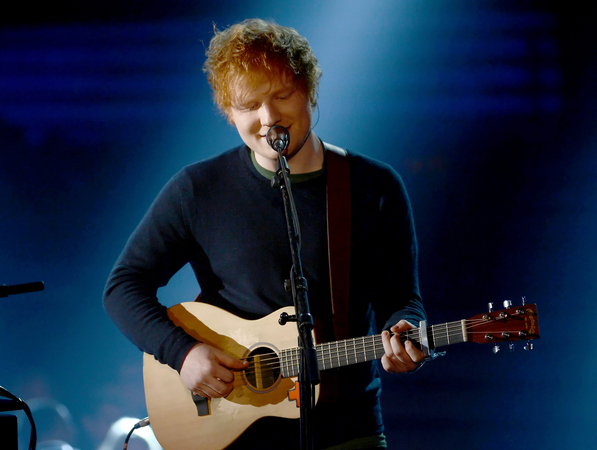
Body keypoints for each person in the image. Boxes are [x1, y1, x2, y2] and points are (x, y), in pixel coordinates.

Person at [103, 18, 428, 449]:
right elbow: (123, 287)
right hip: (235, 431)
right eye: (248, 105)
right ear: (228, 112)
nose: (268, 117)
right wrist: (181, 352)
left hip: (348, 430)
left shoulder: (373, 187)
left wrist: (407, 330)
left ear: (309, 90)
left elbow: (402, 298)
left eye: (282, 95)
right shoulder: (197, 189)